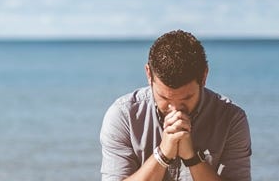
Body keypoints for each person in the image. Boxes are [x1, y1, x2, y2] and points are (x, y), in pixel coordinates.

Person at [100, 30, 251, 181]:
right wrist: (162, 155)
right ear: (148, 74)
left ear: (204, 76)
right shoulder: (124, 115)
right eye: (164, 97)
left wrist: (192, 158)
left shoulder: (231, 119)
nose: (175, 109)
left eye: (187, 98)